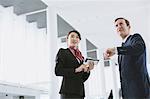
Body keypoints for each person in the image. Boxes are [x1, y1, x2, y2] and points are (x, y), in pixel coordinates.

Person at [104, 17, 150, 99]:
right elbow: (125, 66)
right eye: (116, 25)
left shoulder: (135, 38)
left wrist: (115, 50)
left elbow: (139, 48)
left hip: (139, 90)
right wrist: (111, 58)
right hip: (128, 92)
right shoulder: (123, 47)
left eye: (121, 24)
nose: (118, 27)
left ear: (128, 27)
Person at [55, 30, 94, 99]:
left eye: (77, 37)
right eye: (72, 36)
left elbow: (82, 79)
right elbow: (58, 71)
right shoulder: (63, 52)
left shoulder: (81, 57)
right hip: (68, 92)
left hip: (80, 92)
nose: (74, 39)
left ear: (79, 41)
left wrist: (88, 70)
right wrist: (76, 69)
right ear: (67, 39)